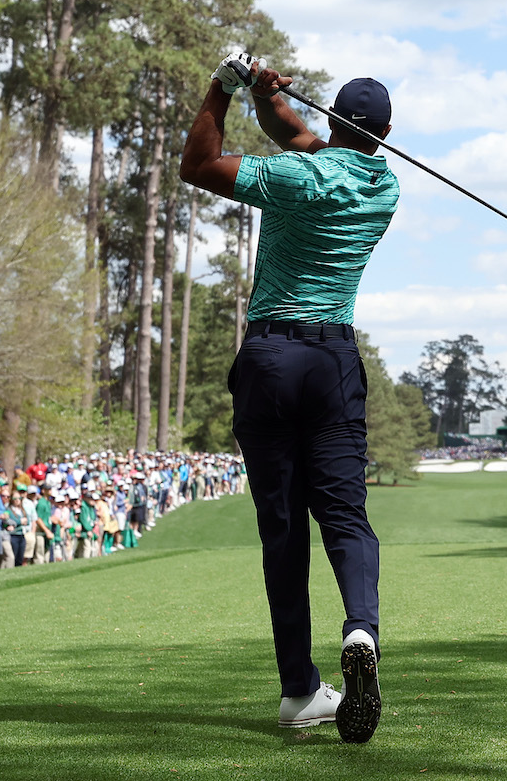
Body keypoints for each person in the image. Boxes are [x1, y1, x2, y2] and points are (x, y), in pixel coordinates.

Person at [179, 53, 392, 742]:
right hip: (332, 360)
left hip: (271, 357)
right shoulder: (383, 187)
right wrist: (271, 99)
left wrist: (224, 89)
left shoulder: (298, 175)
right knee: (347, 517)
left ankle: (300, 690)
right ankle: (360, 628)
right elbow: (302, 137)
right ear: (383, 135)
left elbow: (200, 164)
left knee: (283, 532)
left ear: (333, 120)